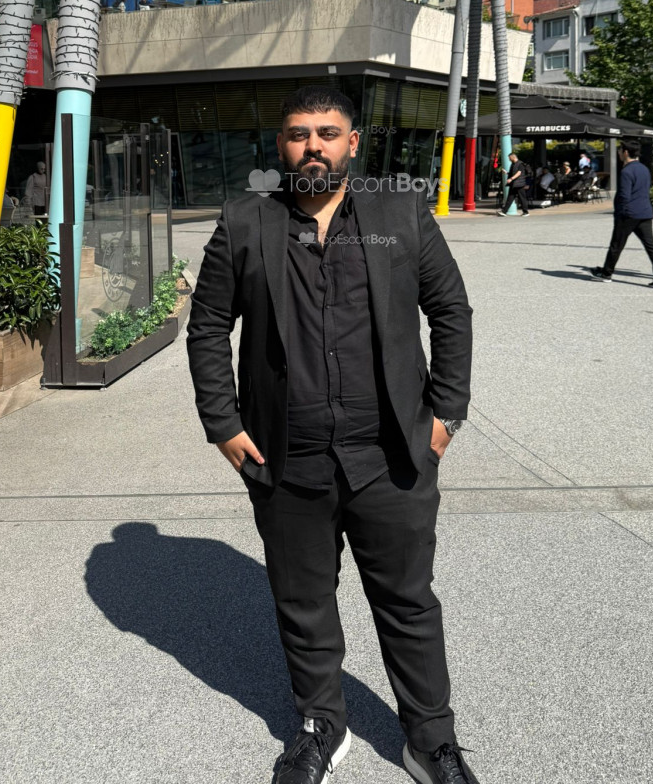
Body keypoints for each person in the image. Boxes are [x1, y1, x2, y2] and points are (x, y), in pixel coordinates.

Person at [187, 84, 479, 784]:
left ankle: (430, 741)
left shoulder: (399, 211)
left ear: (352, 142)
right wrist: (223, 423)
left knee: (407, 600)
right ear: (281, 146)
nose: (312, 145)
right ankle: (323, 724)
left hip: (392, 454)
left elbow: (450, 310)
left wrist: (446, 414)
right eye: (298, 134)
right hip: (286, 456)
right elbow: (208, 326)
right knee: (303, 601)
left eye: (326, 132)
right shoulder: (245, 219)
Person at [591, 140, 653, 287]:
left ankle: (606, 273)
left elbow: (624, 196)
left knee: (616, 244)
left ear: (625, 152)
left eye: (620, 150)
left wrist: (619, 213)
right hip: (645, 212)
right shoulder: (644, 169)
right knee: (650, 245)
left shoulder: (626, 171)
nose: (619, 153)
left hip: (628, 214)